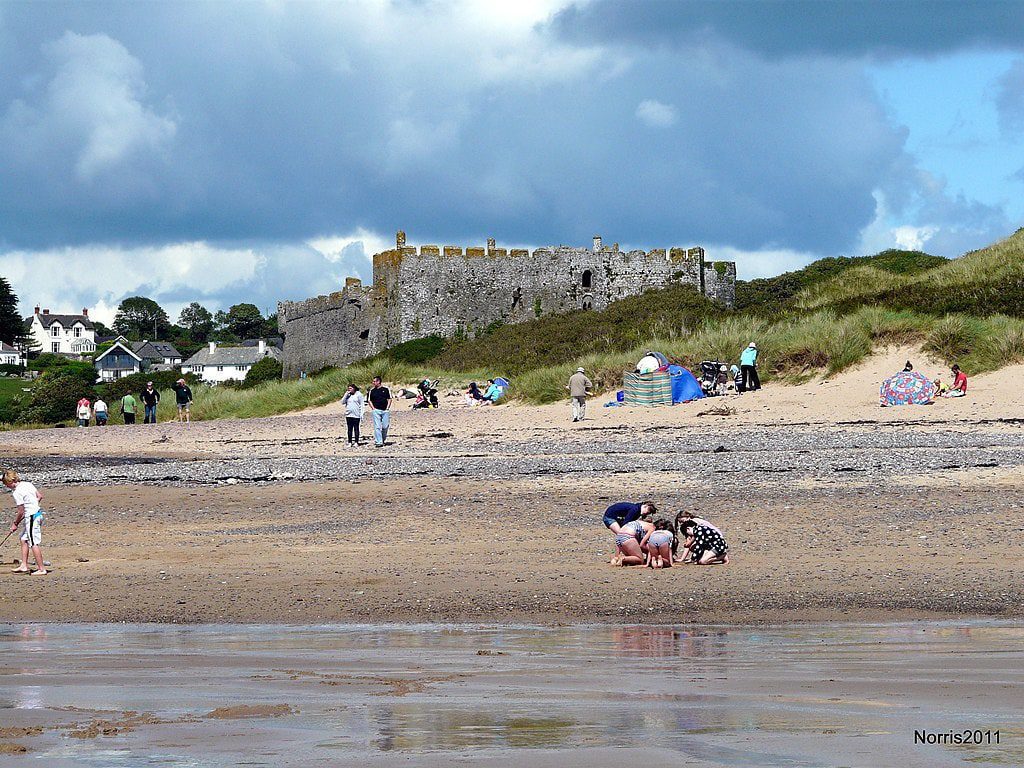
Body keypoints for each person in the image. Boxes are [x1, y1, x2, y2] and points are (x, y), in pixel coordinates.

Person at [3, 469, 47, 576]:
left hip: (33, 517)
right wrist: (32, 506)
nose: (6, 486)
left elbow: (21, 511)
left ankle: (41, 569)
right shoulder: (27, 484)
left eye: (6, 483)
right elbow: (39, 496)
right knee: (23, 538)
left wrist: (15, 524)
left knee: (33, 542)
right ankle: (24, 565)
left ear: (10, 481)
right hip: (37, 514)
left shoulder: (17, 492)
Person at [368, 375, 392, 447]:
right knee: (377, 426)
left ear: (379, 382)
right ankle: (379, 441)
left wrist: (387, 408)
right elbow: (369, 400)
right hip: (376, 410)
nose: (373, 383)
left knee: (385, 426)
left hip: (385, 410)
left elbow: (389, 399)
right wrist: (373, 408)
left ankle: (383, 439)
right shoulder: (372, 391)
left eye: (374, 381)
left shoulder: (386, 389)